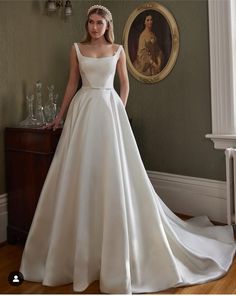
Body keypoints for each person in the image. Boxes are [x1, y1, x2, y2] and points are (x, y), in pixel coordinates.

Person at [20, 4, 236, 294]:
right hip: (83, 112)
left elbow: (124, 84)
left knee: (113, 175)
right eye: (91, 22)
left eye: (100, 23)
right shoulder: (76, 48)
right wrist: (59, 117)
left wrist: (118, 111)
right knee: (81, 175)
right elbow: (72, 84)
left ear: (108, 26)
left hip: (109, 112)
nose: (94, 27)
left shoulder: (119, 50)